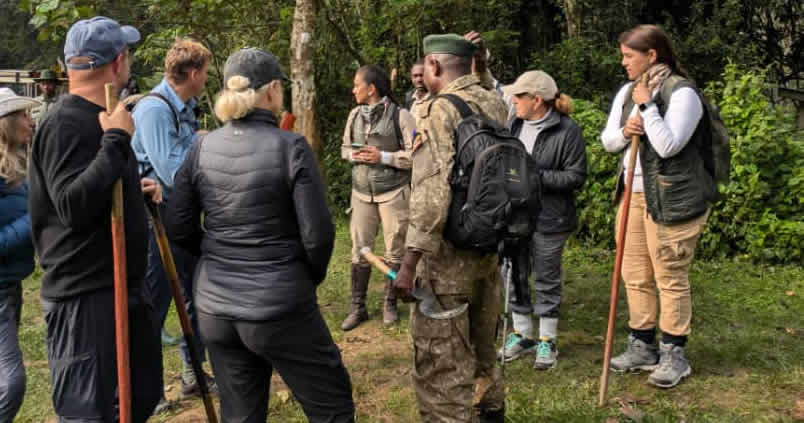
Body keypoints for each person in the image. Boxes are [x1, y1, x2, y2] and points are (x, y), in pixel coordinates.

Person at [166, 47, 355, 423]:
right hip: (279, 306)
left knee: (240, 415)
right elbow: (318, 235)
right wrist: (303, 278)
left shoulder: (201, 147)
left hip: (216, 310)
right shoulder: (291, 147)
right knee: (331, 406)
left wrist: (215, 256)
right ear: (271, 90)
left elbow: (177, 224)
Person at [28, 16, 164, 421]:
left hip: (122, 288)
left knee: (138, 400)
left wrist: (132, 192)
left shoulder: (101, 115)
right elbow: (72, 206)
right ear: (119, 60)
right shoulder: (64, 123)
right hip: (85, 299)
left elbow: (93, 189)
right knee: (92, 413)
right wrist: (116, 141)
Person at [392, 34, 508, 423]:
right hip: (488, 249)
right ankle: (490, 412)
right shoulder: (493, 102)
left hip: (446, 259)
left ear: (435, 66)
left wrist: (409, 264)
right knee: (484, 351)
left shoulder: (438, 111)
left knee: (442, 365)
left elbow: (431, 191)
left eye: (425, 66)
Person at [601, 24, 715, 388]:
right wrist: (626, 131)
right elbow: (608, 141)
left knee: (669, 274)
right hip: (632, 193)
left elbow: (668, 146)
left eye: (628, 56)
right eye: (622, 56)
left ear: (651, 55)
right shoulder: (626, 92)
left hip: (671, 198)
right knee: (634, 271)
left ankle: (673, 353)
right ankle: (642, 344)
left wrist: (648, 108)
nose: (623, 63)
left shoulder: (682, 94)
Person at [130, 37, 216, 406]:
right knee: (154, 301)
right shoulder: (154, 108)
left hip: (179, 216)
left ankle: (192, 374)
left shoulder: (185, 107)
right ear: (194, 73)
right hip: (153, 218)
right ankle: (140, 388)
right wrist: (205, 150)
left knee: (195, 295)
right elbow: (170, 170)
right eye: (207, 72)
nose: (207, 79)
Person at [492, 70, 588, 369]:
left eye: (519, 96)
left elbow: (575, 176)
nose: (513, 100)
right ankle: (521, 334)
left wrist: (534, 176)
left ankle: (547, 341)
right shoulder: (514, 124)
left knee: (547, 278)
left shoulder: (567, 130)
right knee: (515, 274)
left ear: (537, 100)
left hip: (551, 218)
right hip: (516, 216)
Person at [340, 64, 415, 330]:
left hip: (394, 192)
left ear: (371, 89)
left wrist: (383, 157)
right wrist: (354, 155)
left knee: (395, 248)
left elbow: (415, 156)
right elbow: (344, 149)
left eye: (357, 85)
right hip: (361, 193)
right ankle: (358, 307)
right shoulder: (353, 115)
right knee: (360, 249)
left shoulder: (401, 116)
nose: (353, 89)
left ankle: (390, 304)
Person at [0, 88, 40, 423]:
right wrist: (35, 218)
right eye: (23, 115)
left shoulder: (15, 163)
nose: (30, 121)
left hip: (10, 288)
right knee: (11, 383)